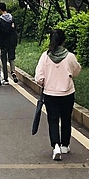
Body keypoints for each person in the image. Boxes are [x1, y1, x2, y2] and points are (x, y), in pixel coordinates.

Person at [34, 28, 81, 161]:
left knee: (53, 120)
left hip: (50, 94)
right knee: (66, 118)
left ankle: (56, 146)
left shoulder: (45, 56)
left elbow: (39, 77)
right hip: (67, 93)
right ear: (63, 41)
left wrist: (44, 82)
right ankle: (65, 145)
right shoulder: (70, 56)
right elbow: (77, 71)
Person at [0, 3, 17, 85]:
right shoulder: (12, 18)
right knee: (11, 57)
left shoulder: (0, 21)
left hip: (4, 42)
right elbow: (14, 29)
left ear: (0, 10)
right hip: (12, 41)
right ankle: (13, 71)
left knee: (4, 59)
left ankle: (6, 78)